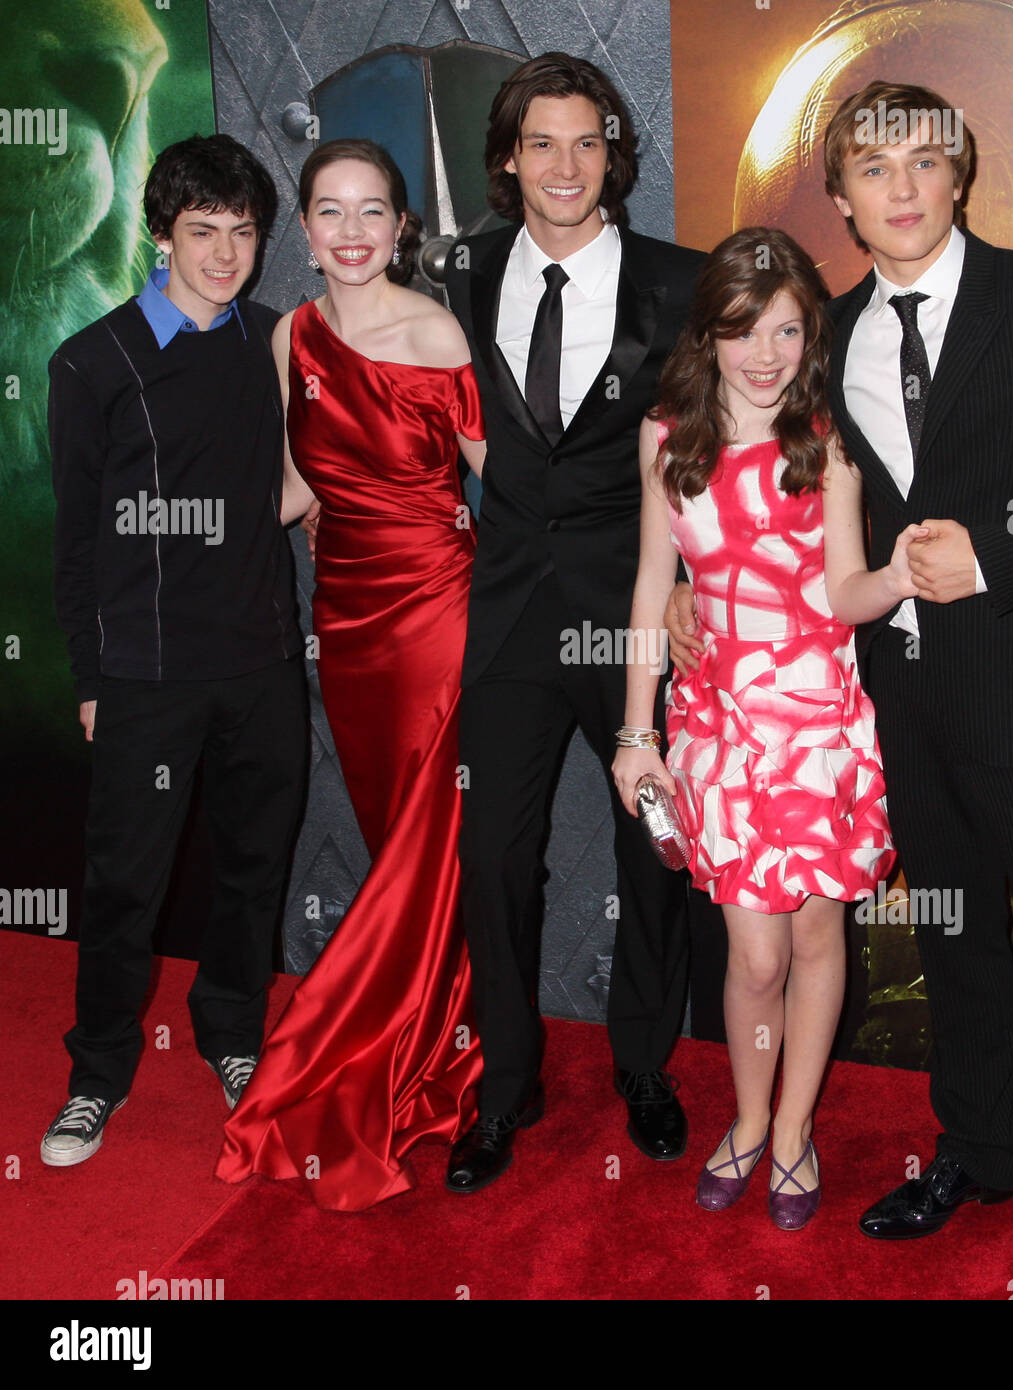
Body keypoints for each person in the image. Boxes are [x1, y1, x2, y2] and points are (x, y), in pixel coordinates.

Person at [668, 82, 1013, 1292]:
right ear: (839, 198)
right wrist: (689, 590)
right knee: (954, 952)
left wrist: (994, 550)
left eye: (922, 162)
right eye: (872, 169)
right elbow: (752, 494)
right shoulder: (819, 336)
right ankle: (976, 1154)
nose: (900, 188)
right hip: (899, 704)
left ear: (960, 175)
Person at [442, 53, 709, 1195]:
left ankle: (645, 1064)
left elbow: (721, 438)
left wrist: (695, 573)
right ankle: (506, 1084)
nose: (566, 165)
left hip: (636, 608)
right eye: (541, 143)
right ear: (508, 158)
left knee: (654, 845)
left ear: (614, 154)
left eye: (587, 142)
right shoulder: (460, 271)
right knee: (495, 858)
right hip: (505, 610)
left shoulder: (681, 281)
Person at [613, 228, 904, 1229]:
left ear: (810, 334)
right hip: (722, 725)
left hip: (817, 724)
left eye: (787, 330)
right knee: (755, 957)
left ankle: (791, 1131)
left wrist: (899, 577)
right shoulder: (667, 438)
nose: (766, 353)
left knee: (817, 936)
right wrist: (635, 736)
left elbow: (846, 590)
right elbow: (652, 586)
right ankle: (746, 1114)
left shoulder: (825, 442)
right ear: (710, 332)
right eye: (744, 330)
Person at [215, 139, 486, 1210]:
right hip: (347, 622)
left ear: (402, 226)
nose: (353, 231)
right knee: (394, 841)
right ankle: (435, 1035)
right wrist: (187, 531)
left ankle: (421, 1054)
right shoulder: (293, 334)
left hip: (437, 616)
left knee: (428, 847)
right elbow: (296, 486)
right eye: (330, 211)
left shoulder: (436, 333)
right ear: (305, 228)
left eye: (373, 210)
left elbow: (503, 482)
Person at [42, 134, 307, 1166]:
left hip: (262, 662)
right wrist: (92, 678)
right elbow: (75, 543)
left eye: (243, 232)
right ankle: (96, 1075)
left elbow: (319, 464)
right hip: (145, 673)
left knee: (254, 868)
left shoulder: (275, 343)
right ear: (162, 234)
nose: (225, 254)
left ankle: (232, 1035)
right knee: (125, 887)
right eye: (203, 232)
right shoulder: (92, 361)